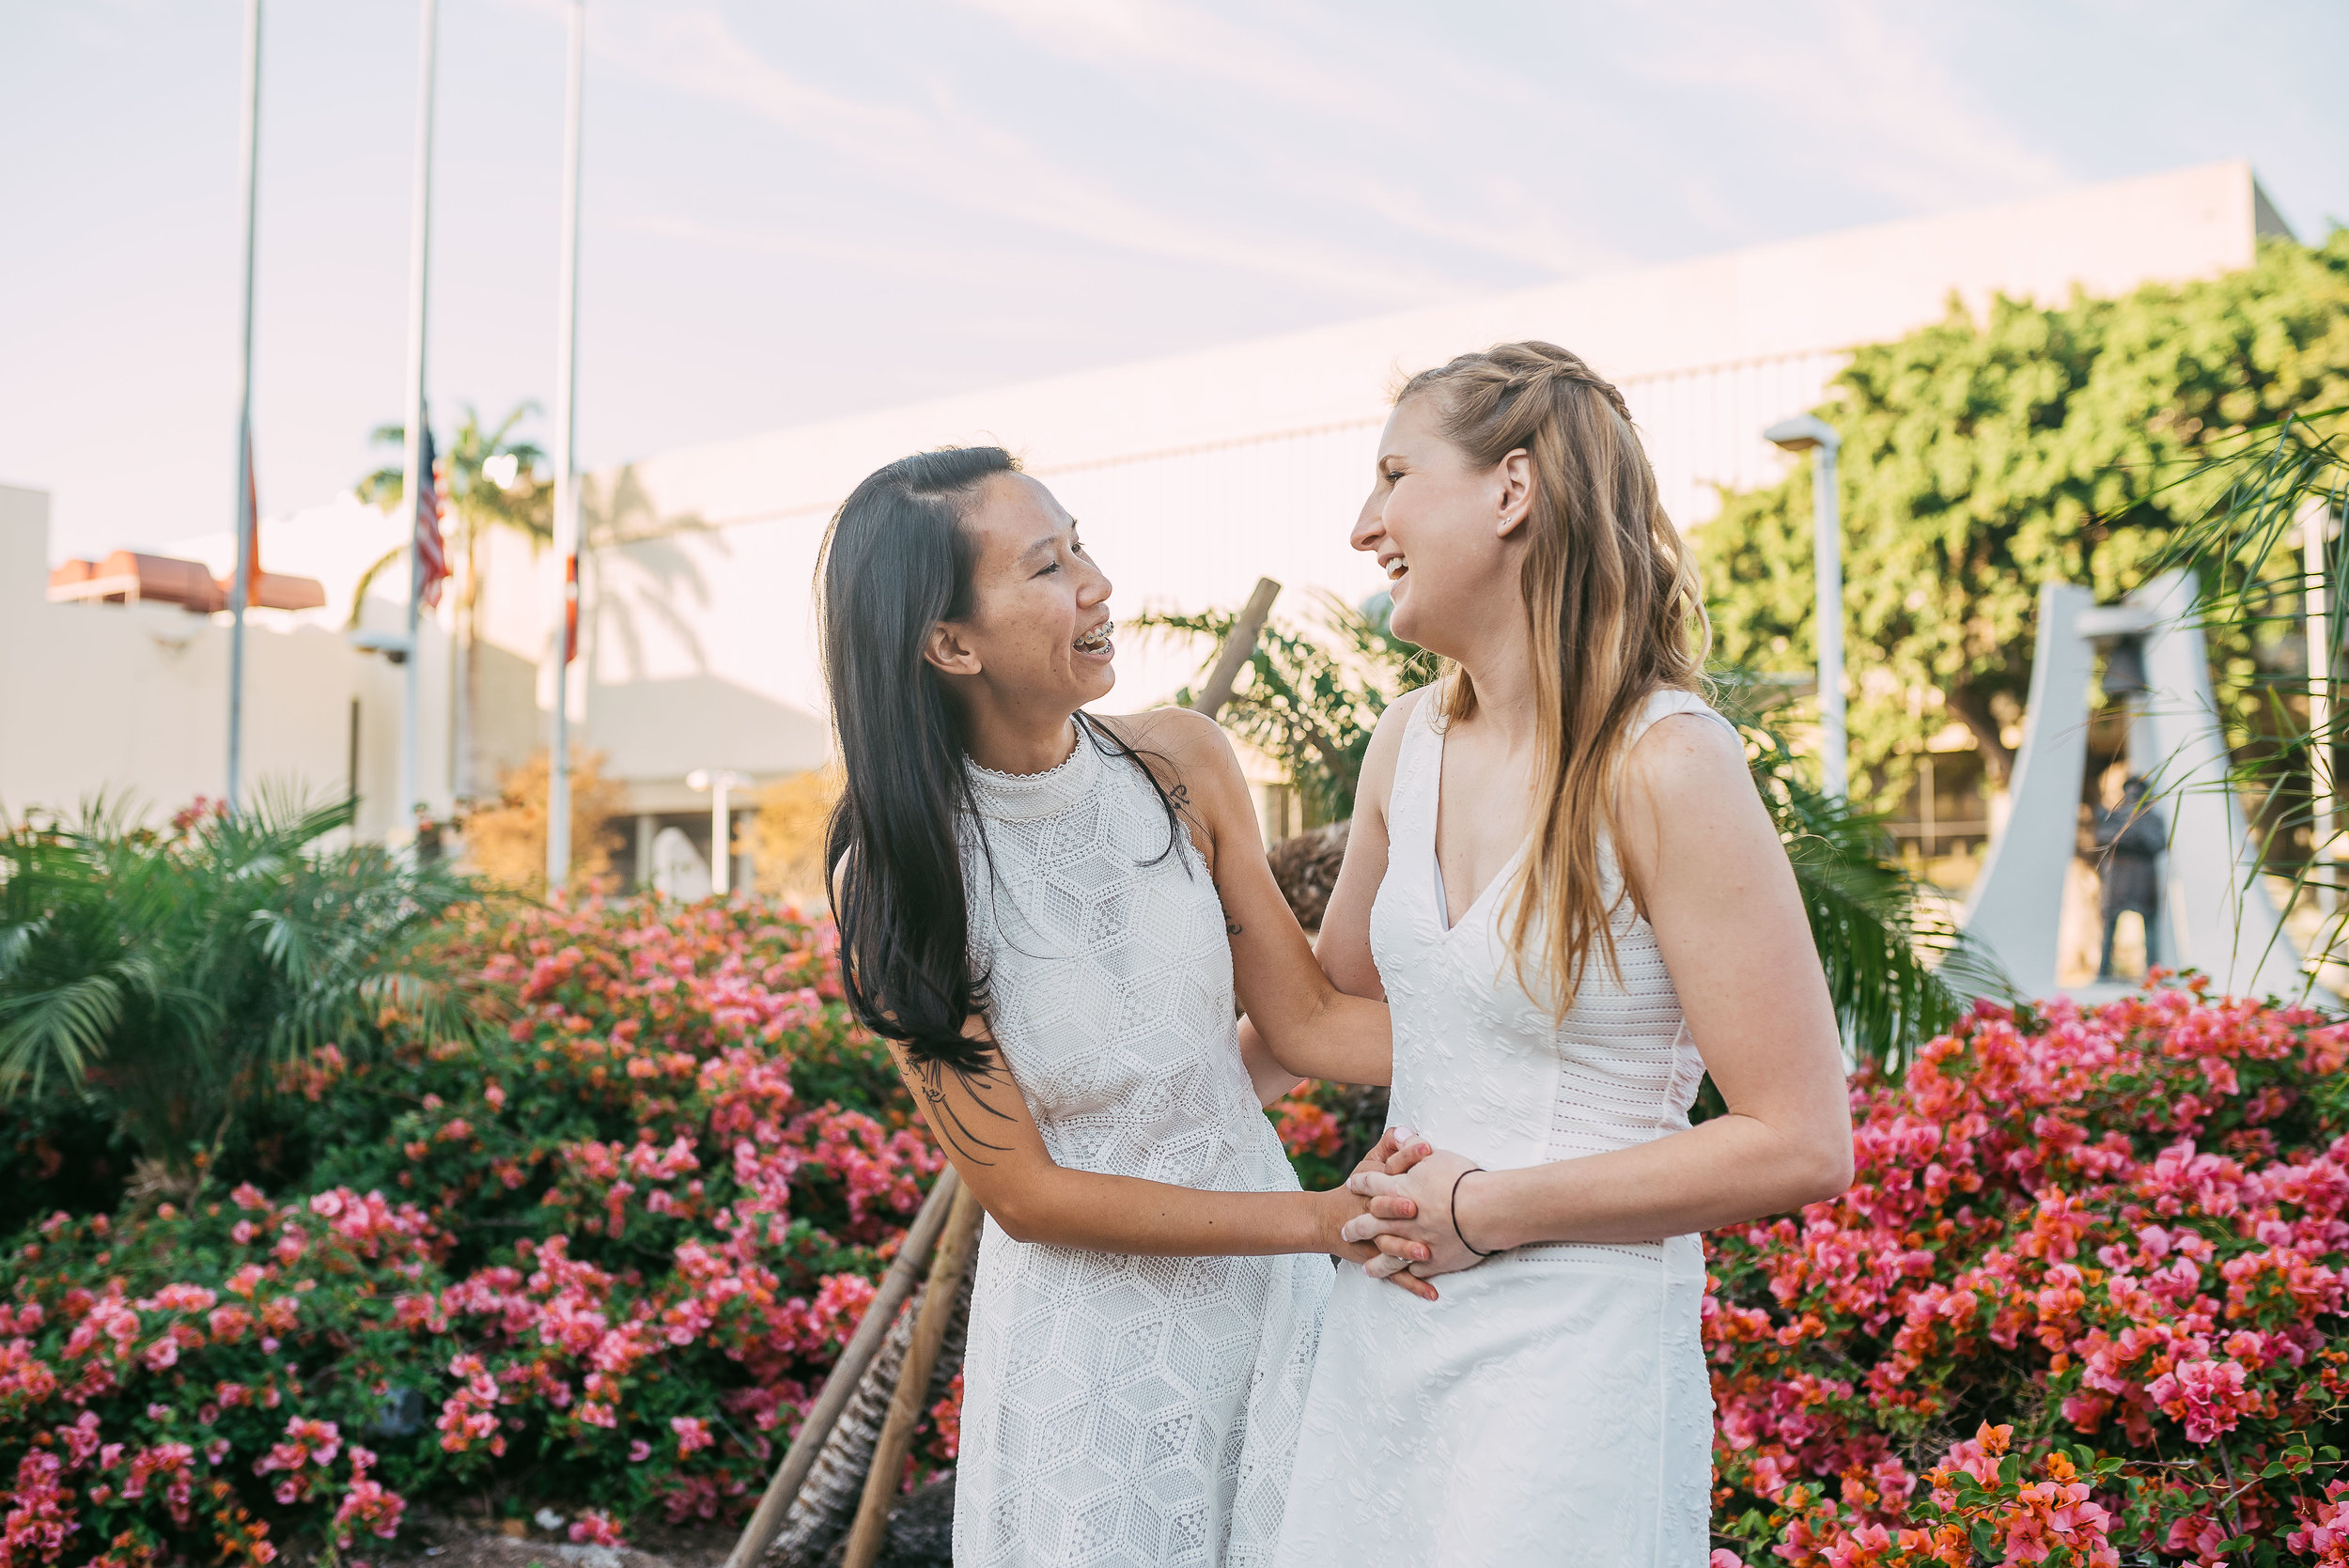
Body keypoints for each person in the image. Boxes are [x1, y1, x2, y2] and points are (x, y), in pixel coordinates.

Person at [1266, 343, 1856, 1564]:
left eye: (1392, 475)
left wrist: (1485, 1207)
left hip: (1573, 1355)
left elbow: (1800, 1140)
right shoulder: (1403, 743)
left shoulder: (1667, 762)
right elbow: (1321, 1021)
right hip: (1387, 1325)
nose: (1363, 523)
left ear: (1512, 490)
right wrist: (1200, 838)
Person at [817, 446, 1426, 1568]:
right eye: (1047, 567)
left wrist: (1556, 1036)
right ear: (949, 643)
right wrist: (1322, 1219)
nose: (1096, 584)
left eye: (1080, 544)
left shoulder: (1180, 762)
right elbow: (1029, 1193)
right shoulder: (900, 870)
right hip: (1087, 1358)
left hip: (1268, 1312)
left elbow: (1305, 1026)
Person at [2093, 774, 2165, 980]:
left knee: (2149, 925)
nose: (2133, 793)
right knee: (2110, 924)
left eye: (2137, 789)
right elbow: (2104, 838)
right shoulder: (2114, 816)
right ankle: (2103, 972)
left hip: (2143, 879)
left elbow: (2157, 843)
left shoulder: (2152, 818)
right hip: (2118, 878)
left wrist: (2131, 835)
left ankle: (2154, 973)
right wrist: (2131, 837)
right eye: (2129, 788)